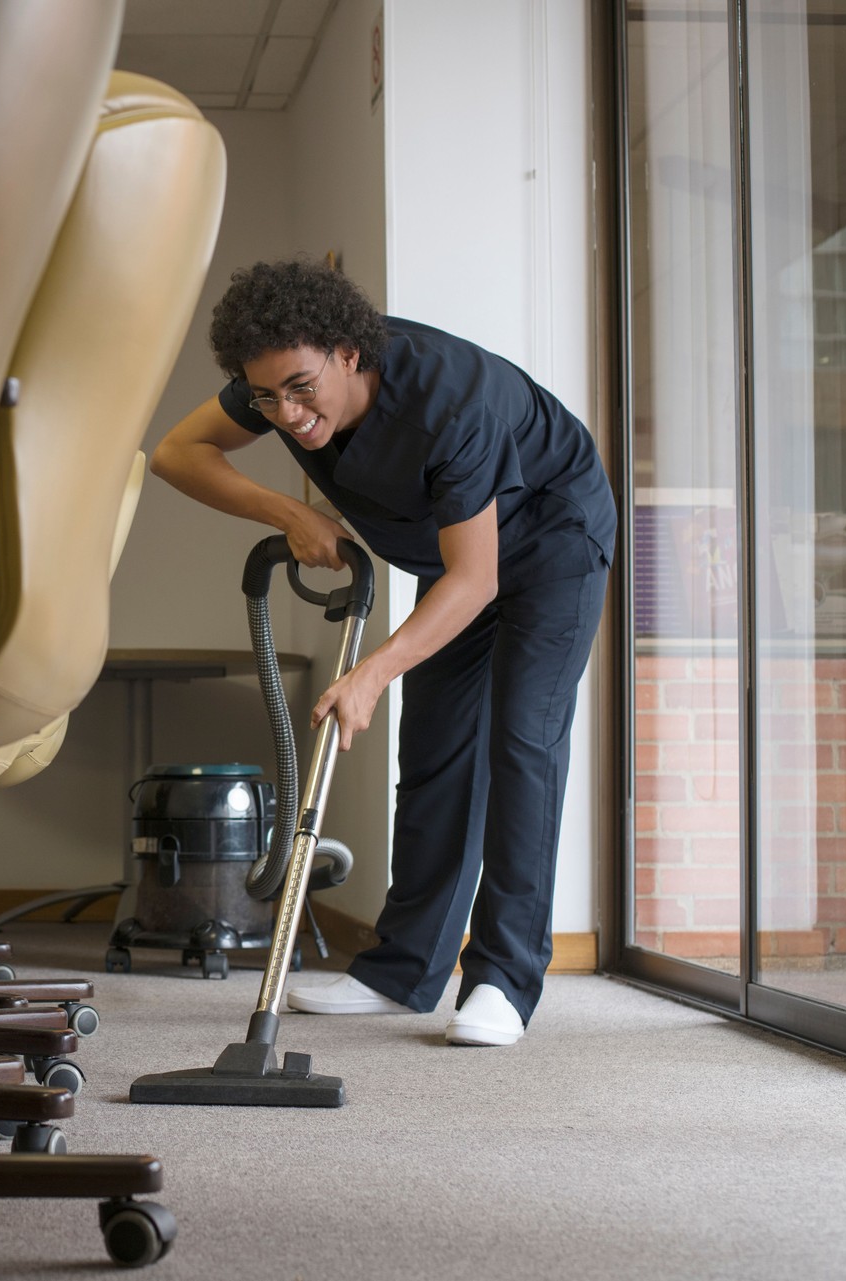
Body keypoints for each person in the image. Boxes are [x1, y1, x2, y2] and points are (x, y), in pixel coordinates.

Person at [149, 259, 614, 1046]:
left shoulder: (447, 405)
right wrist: (287, 510)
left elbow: (476, 578)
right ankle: (401, 972)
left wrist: (373, 672)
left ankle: (503, 980)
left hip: (551, 538)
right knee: (435, 747)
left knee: (523, 742)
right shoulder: (280, 377)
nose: (287, 413)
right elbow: (177, 453)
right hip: (457, 559)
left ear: (349, 353)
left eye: (301, 388)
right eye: (266, 397)